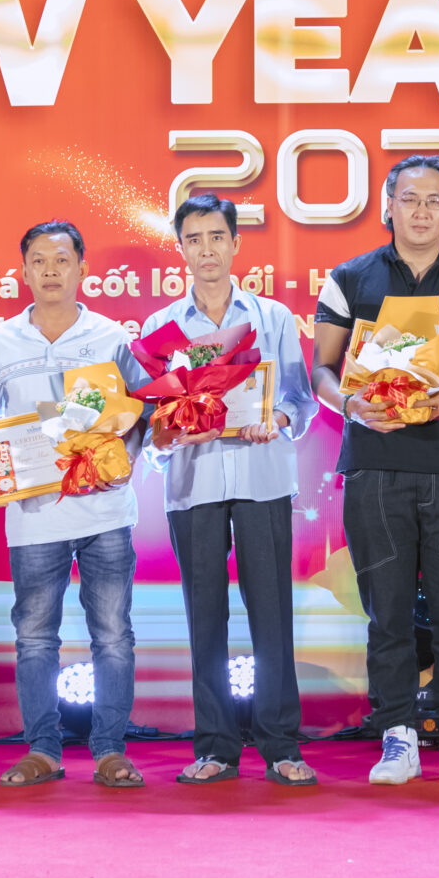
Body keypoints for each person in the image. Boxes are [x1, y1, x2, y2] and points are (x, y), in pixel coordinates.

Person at [312, 154, 439, 788]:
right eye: (410, 199)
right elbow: (321, 371)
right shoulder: (350, 279)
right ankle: (396, 734)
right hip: (375, 466)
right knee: (387, 613)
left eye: (434, 200)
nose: (422, 211)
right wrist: (350, 405)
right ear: (388, 204)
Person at [142, 195, 319, 785]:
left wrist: (279, 420)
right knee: (205, 618)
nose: (207, 250)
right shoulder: (161, 328)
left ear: (236, 244)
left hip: (261, 476)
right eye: (194, 239)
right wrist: (169, 431)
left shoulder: (272, 317)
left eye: (217, 237)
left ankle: (281, 744)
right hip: (192, 482)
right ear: (181, 249)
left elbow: (299, 400)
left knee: (273, 614)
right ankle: (215, 745)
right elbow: (152, 423)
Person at [0, 220, 151, 788]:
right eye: (39, 261)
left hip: (105, 512)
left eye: (62, 260)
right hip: (33, 516)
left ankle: (110, 749)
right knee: (34, 637)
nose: (51, 270)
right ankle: (42, 749)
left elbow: (142, 412)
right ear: (23, 271)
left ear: (82, 269)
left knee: (113, 635)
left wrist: (120, 463)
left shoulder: (112, 337)